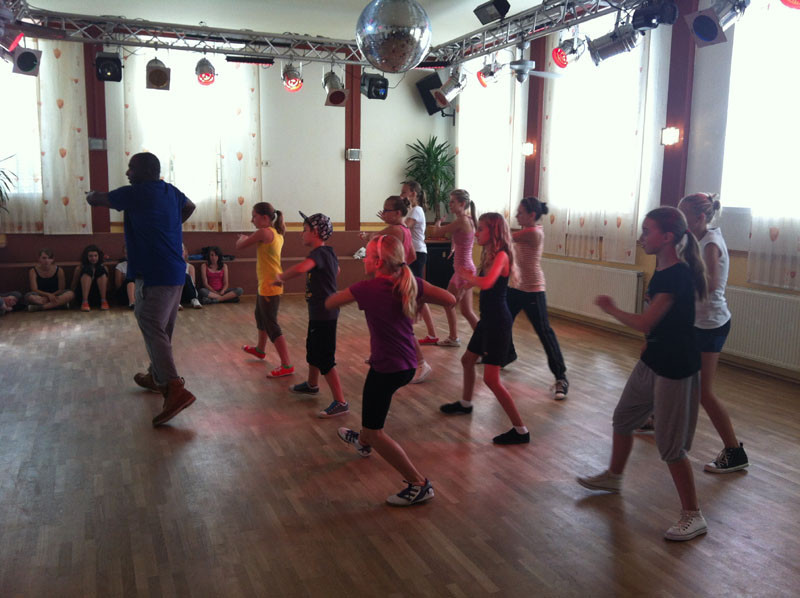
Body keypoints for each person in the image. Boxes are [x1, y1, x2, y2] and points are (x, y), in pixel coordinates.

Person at [578, 206, 708, 542]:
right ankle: (613, 476)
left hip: (675, 367)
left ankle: (693, 515)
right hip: (653, 359)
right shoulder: (661, 269)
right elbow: (658, 324)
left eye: (647, 231)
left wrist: (611, 309)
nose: (641, 237)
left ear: (667, 237)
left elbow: (646, 321)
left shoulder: (676, 275)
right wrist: (649, 342)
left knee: (670, 446)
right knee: (624, 418)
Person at [326, 234, 455, 506]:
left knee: (376, 430)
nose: (363, 259)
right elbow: (450, 299)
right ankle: (362, 441)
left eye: (366, 255)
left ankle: (418, 483)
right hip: (405, 364)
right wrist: (420, 298)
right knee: (371, 413)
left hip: (388, 367)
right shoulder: (411, 282)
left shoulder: (367, 288)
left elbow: (330, 303)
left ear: (377, 262)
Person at [86, 151, 197, 427]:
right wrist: (169, 225)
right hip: (175, 271)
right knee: (162, 329)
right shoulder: (170, 191)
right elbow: (190, 206)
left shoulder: (136, 193)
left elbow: (98, 199)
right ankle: (156, 376)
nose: (127, 173)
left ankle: (174, 387)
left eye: (130, 168)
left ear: (145, 171)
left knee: (151, 324)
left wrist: (89, 194)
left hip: (154, 272)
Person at [439, 213, 530, 445]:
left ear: (495, 231)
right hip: (488, 320)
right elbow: (480, 282)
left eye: (481, 229)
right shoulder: (489, 255)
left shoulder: (502, 255)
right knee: (467, 360)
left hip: (498, 323)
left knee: (491, 379)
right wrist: (466, 283)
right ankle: (466, 403)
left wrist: (467, 277)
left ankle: (521, 430)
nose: (477, 233)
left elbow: (488, 283)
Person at [679, 193, 748, 473]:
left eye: (684, 216)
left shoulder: (709, 243)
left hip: (711, 325)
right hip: (698, 322)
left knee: (704, 393)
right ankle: (657, 418)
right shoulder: (696, 239)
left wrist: (676, 291)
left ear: (700, 218)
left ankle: (734, 452)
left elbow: (711, 284)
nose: (680, 221)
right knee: (673, 370)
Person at [275, 212, 347, 418]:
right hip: (320, 312)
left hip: (324, 314)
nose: (301, 234)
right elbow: (337, 270)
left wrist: (281, 277)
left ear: (315, 232)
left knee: (325, 358)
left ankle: (340, 402)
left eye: (304, 230)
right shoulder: (329, 253)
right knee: (313, 349)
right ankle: (312, 384)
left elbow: (301, 268)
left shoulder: (318, 254)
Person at [360, 195, 432, 384]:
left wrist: (367, 236)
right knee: (384, 324)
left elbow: (373, 238)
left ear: (398, 213)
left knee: (401, 327)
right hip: (397, 281)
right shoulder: (405, 230)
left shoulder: (394, 230)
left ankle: (421, 363)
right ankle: (378, 355)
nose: (383, 213)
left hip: (393, 284)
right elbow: (412, 256)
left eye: (386, 210)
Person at [504, 197, 568, 400]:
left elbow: (506, 237)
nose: (516, 216)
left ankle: (561, 378)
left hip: (533, 290)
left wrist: (486, 227)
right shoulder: (526, 231)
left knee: (544, 332)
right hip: (516, 288)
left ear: (532, 215)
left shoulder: (534, 233)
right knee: (503, 322)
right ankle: (508, 354)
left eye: (520, 213)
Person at [236, 202, 294, 378]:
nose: (252, 219)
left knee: (271, 324)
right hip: (267, 284)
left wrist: (241, 238)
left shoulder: (264, 232)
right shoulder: (276, 233)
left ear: (265, 217)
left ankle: (287, 364)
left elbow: (240, 246)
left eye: (254, 216)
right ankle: (260, 349)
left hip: (270, 285)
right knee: (260, 316)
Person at [428, 189, 479, 347]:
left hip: (463, 271)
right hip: (466, 270)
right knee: (467, 311)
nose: (449, 204)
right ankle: (483, 342)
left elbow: (437, 232)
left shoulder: (462, 220)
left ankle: (454, 337)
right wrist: (453, 246)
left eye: (452, 202)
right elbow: (459, 238)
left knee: (448, 303)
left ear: (462, 204)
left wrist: (438, 223)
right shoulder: (468, 219)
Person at [401, 180, 439, 345]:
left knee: (417, 294)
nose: (401, 195)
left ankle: (428, 333)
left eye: (404, 192)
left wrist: (394, 217)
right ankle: (426, 333)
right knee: (413, 294)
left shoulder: (417, 210)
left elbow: (404, 227)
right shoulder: (411, 210)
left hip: (417, 253)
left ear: (413, 193)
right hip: (412, 253)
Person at [71, 244, 109, 311]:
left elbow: (107, 285)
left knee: (101, 270)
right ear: (86, 257)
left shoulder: (104, 268)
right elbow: (74, 285)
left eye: (95, 256)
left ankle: (104, 301)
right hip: (82, 296)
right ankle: (85, 302)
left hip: (98, 296)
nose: (93, 258)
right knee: (87, 270)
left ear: (99, 256)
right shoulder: (79, 268)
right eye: (90, 256)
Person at [178, 244, 203, 310]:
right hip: (177, 294)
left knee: (185, 276)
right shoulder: (172, 266)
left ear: (185, 252)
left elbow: (193, 283)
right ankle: (176, 302)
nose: (180, 253)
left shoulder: (190, 267)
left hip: (188, 294)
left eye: (182, 251)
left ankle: (194, 300)